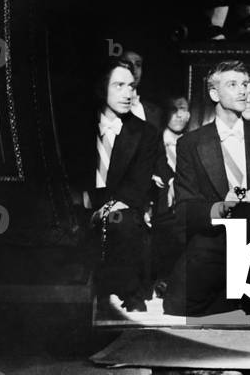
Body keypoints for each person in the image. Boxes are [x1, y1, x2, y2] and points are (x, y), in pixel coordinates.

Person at [163, 61, 250, 320]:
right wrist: (222, 206)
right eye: (232, 84)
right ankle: (242, 296)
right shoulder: (191, 144)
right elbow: (184, 210)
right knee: (178, 304)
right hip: (218, 233)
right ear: (214, 94)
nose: (243, 91)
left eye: (244, 84)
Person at [82, 58, 158, 312]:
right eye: (119, 85)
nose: (128, 93)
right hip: (79, 204)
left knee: (122, 222)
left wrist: (103, 211)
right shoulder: (79, 126)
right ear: (101, 87)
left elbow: (137, 186)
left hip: (121, 207)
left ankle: (131, 296)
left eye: (131, 86)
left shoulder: (146, 133)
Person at [150, 96, 190, 296]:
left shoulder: (193, 142)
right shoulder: (154, 142)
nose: (178, 115)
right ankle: (162, 280)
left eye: (182, 109)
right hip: (160, 206)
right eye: (173, 110)